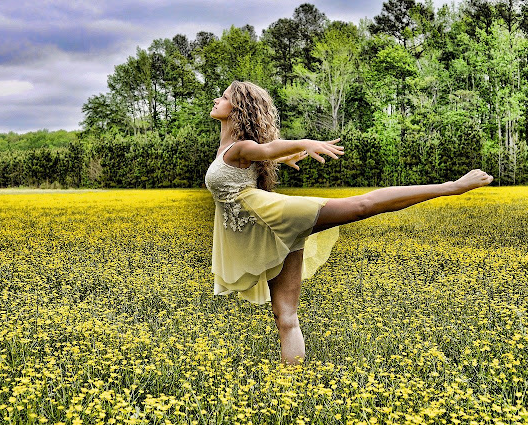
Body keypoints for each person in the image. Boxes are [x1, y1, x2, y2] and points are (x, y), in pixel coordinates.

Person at [204, 80, 493, 365]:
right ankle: (291, 386)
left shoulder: (240, 147)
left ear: (238, 108)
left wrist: (301, 144)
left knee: (360, 206)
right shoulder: (228, 149)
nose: (217, 99)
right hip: (263, 231)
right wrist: (287, 156)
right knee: (285, 314)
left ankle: (450, 186)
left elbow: (266, 149)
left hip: (270, 216)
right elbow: (262, 156)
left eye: (224, 96)